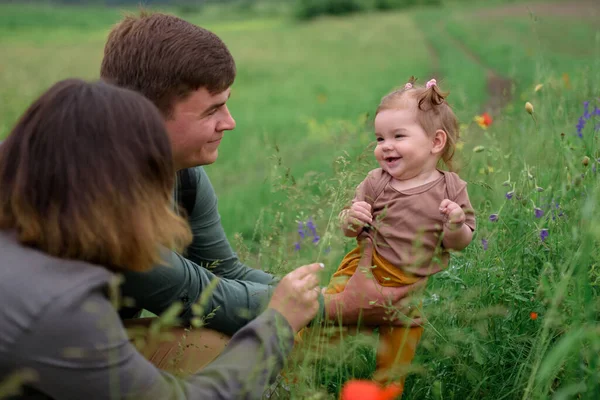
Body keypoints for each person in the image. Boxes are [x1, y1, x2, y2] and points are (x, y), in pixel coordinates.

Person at [98, 10, 425, 369]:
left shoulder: (183, 176)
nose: (229, 122)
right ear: (145, 116)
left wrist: (332, 295)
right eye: (212, 110)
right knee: (216, 346)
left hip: (101, 336)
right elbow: (202, 298)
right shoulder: (100, 194)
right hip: (49, 363)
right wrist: (334, 306)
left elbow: (224, 271)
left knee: (270, 333)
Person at [0, 78, 323, 399]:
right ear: (110, 186)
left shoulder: (29, 233)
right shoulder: (60, 306)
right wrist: (278, 324)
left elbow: (225, 270)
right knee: (210, 349)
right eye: (150, 175)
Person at [317, 77, 476, 394]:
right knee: (325, 327)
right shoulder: (376, 182)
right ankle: (302, 372)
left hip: (408, 288)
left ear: (435, 142)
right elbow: (351, 230)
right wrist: (351, 218)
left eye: (397, 136)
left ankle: (382, 390)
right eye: (379, 138)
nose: (384, 146)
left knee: (400, 352)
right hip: (362, 270)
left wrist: (455, 225)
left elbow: (460, 243)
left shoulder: (451, 187)